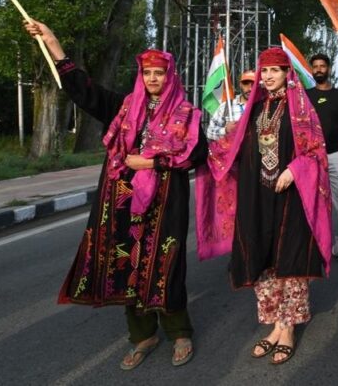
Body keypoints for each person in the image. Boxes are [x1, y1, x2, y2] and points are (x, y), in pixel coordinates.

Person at [24, 21, 205, 370]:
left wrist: (154, 162)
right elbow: (84, 90)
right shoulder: (124, 107)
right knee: (128, 265)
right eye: (148, 73)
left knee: (166, 266)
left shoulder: (188, 113)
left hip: (167, 202)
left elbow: (197, 153)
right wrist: (55, 45)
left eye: (159, 73)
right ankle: (142, 336)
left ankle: (179, 331)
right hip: (122, 201)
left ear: (170, 77)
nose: (153, 79)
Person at [196, 47, 331, 366]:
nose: (269, 76)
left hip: (291, 197)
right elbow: (230, 150)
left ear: (287, 73)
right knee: (264, 258)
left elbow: (316, 152)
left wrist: (294, 170)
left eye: (275, 70)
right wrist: (210, 143)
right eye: (265, 71)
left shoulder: (301, 109)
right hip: (257, 197)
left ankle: (288, 330)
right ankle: (275, 324)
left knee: (290, 259)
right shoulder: (254, 110)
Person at [306, 53, 338, 261]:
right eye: (314, 66)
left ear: (329, 69)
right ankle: (315, 246)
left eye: (322, 66)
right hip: (310, 158)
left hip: (335, 155)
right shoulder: (304, 96)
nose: (318, 69)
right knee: (312, 204)